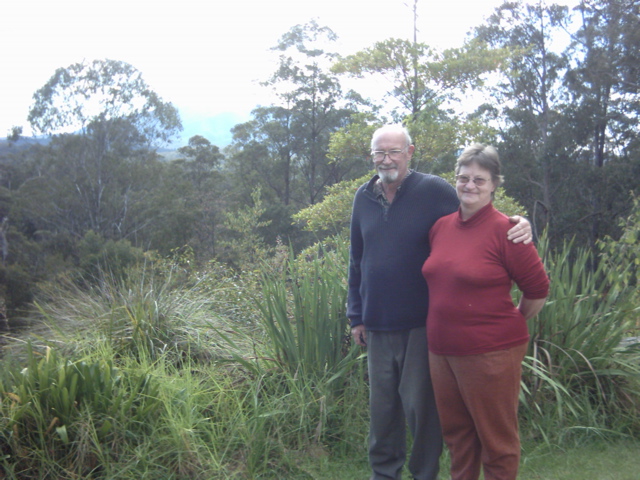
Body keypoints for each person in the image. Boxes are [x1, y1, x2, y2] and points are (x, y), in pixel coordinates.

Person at [347, 125, 532, 480]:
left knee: (422, 412)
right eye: (379, 153)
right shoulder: (363, 198)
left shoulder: (432, 190)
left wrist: (523, 225)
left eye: (394, 152)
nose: (386, 160)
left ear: (410, 152)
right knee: (382, 410)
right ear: (371, 156)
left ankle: (424, 474)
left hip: (421, 323)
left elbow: (479, 212)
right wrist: (356, 315)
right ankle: (383, 474)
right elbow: (357, 259)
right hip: (376, 324)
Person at [421, 143, 549, 480]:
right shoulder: (441, 227)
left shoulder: (508, 230)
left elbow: (537, 290)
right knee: (459, 437)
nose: (470, 185)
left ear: (494, 184)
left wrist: (513, 322)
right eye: (464, 178)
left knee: (497, 441)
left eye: (480, 179)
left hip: (491, 352)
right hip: (441, 352)